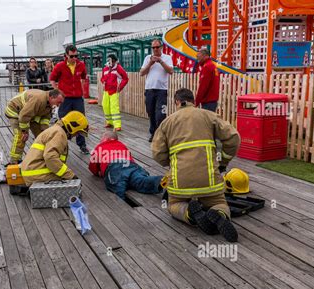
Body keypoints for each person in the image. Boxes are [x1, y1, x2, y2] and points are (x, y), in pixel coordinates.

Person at [152, 88, 241, 242]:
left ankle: (189, 214)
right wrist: (223, 162)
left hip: (180, 182)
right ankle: (218, 214)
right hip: (209, 182)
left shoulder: (167, 122)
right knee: (219, 203)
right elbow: (234, 138)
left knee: (174, 204)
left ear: (177, 102)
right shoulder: (208, 115)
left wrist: (172, 163)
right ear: (193, 101)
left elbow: (157, 153)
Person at [16, 111, 88, 194]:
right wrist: (71, 176)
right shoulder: (59, 134)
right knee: (68, 184)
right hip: (37, 174)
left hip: (31, 172)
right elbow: (50, 158)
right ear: (72, 126)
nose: (76, 135)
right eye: (77, 132)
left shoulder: (55, 130)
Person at [89, 131, 164, 200]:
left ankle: (123, 203)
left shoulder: (100, 147)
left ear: (106, 138)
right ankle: (160, 180)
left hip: (114, 166)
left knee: (118, 185)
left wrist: (97, 172)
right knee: (140, 180)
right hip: (130, 165)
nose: (100, 140)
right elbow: (129, 157)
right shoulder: (122, 145)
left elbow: (92, 166)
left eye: (101, 138)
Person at [5, 88, 64, 164]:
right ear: (52, 97)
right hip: (15, 112)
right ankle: (14, 161)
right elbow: (24, 116)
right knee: (21, 136)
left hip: (30, 114)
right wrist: (24, 131)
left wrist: (44, 132)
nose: (59, 105)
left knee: (42, 136)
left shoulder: (50, 103)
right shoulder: (39, 99)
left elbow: (45, 118)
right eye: (59, 102)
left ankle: (43, 156)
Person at [50, 44, 90, 154]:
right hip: (65, 99)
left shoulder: (81, 65)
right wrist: (58, 92)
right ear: (66, 55)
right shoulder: (59, 66)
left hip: (77, 98)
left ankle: (82, 145)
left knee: (81, 121)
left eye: (76, 56)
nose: (74, 58)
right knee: (63, 121)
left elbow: (84, 78)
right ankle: (61, 145)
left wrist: (80, 89)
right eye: (72, 56)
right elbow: (52, 79)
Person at [140, 39, 174, 143]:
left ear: (161, 47)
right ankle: (153, 133)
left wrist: (160, 61)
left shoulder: (167, 58)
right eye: (153, 47)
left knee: (160, 114)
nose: (155, 49)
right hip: (149, 89)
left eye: (157, 47)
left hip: (161, 91)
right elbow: (141, 73)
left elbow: (171, 71)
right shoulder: (147, 58)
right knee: (151, 113)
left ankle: (162, 135)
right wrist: (150, 63)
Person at [101, 54, 129, 131]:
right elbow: (102, 78)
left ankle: (117, 125)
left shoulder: (119, 68)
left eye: (113, 61)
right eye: (110, 61)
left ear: (115, 61)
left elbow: (125, 78)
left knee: (114, 108)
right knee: (105, 106)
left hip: (114, 91)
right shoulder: (105, 68)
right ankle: (109, 122)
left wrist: (119, 87)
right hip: (106, 91)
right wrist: (103, 82)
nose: (111, 63)